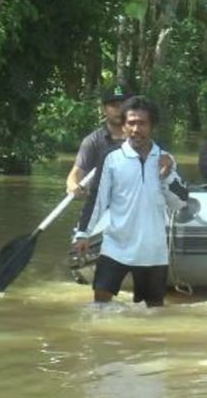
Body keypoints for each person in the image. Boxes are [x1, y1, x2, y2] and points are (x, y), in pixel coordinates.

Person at [73, 96, 186, 307]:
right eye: (131, 123)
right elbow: (97, 199)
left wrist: (167, 175)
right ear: (124, 126)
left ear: (152, 126)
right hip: (116, 246)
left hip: (153, 252)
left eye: (142, 123)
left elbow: (180, 202)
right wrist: (83, 234)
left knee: (153, 315)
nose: (136, 129)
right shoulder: (111, 158)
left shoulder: (165, 159)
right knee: (99, 307)